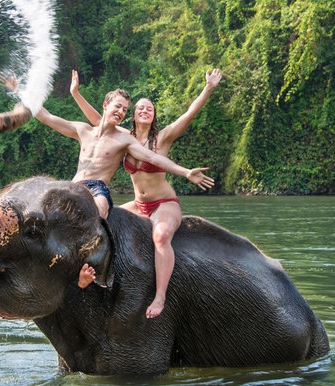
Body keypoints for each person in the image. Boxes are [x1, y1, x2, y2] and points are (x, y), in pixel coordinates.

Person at [0, 72, 215, 291]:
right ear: (106, 106)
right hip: (73, 188)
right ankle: (14, 264)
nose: (121, 112)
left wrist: (185, 172)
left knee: (99, 213)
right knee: (38, 216)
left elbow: (153, 157)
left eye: (124, 109)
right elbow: (46, 116)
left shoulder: (127, 139)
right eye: (119, 107)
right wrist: (19, 89)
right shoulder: (84, 130)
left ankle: (92, 272)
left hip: (100, 189)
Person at [70, 68, 223, 318]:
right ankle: (90, 276)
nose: (144, 110)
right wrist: (76, 93)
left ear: (153, 116)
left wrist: (208, 88)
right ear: (132, 114)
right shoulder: (124, 138)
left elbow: (189, 114)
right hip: (138, 204)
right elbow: (100, 119)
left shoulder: (163, 138)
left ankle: (160, 296)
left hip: (164, 202)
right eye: (139, 107)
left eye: (149, 109)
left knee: (161, 236)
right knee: (104, 221)